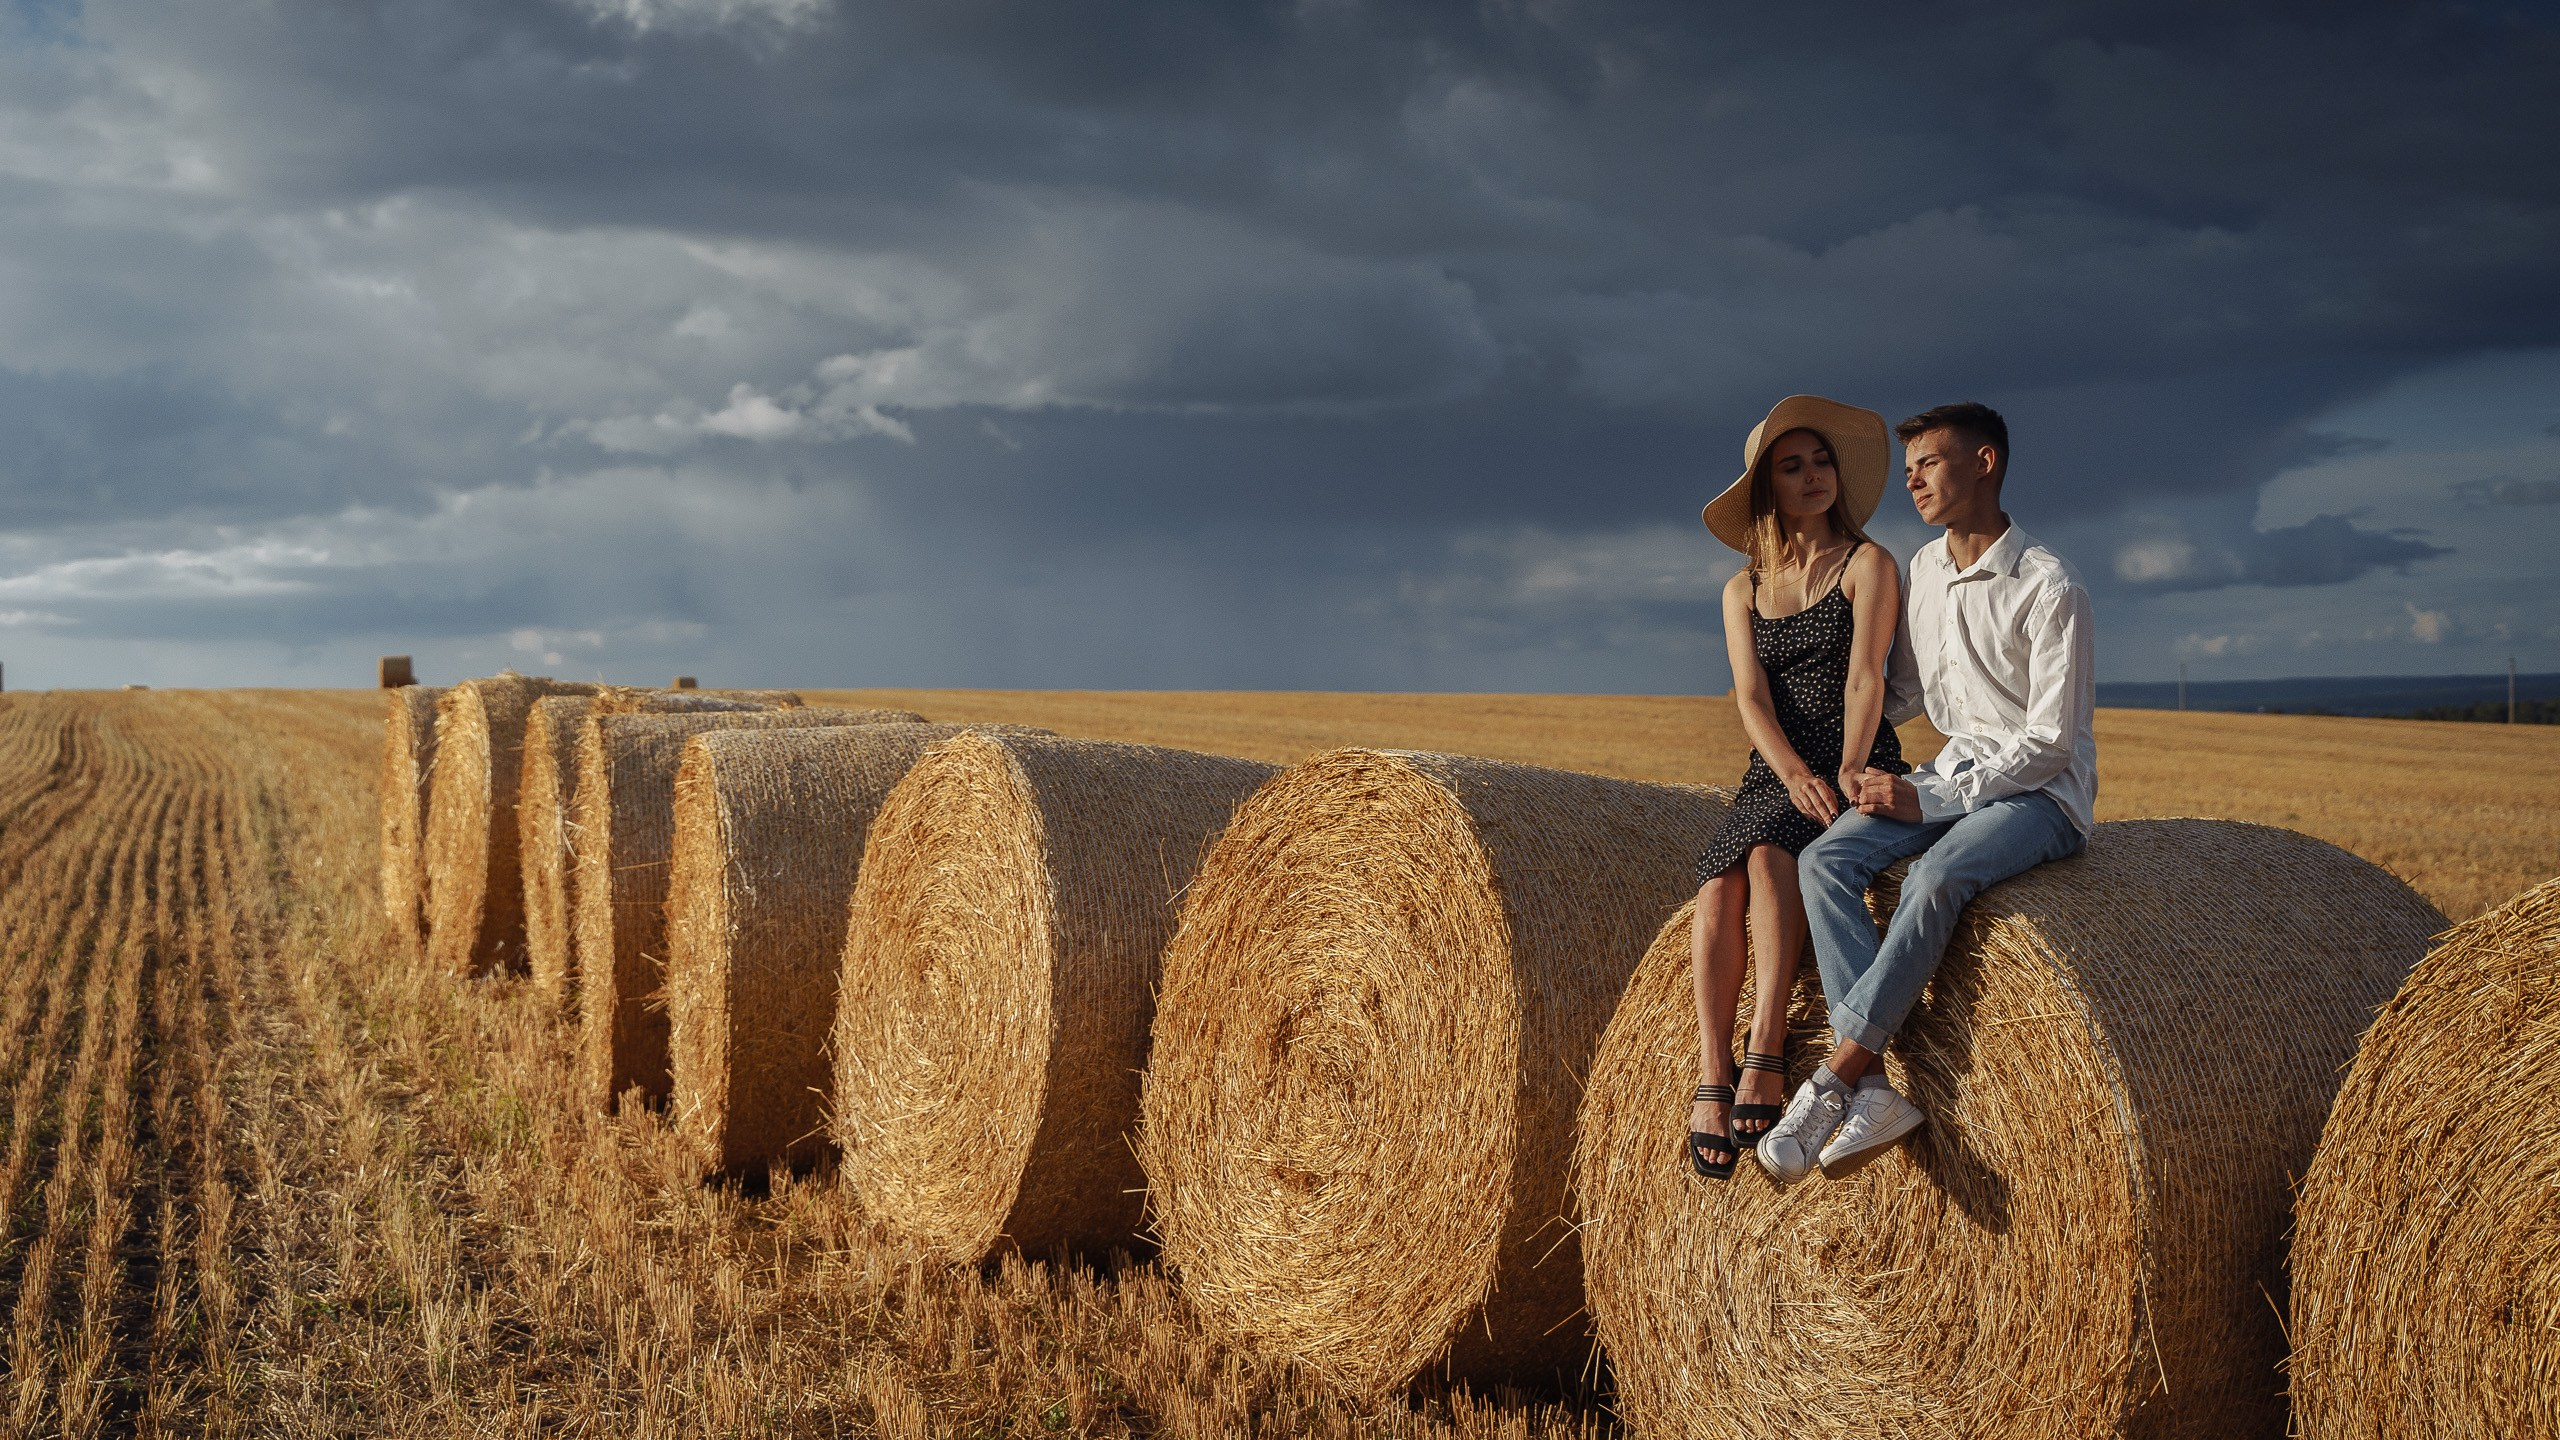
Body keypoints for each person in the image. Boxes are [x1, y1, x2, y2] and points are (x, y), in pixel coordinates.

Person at [1755, 400, 2098, 1183]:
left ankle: (1838, 1073)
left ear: (1985, 464)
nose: (1913, 483)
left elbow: (2048, 745)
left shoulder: (2050, 587)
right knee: (1824, 862)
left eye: (1929, 465)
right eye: (1907, 472)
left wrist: (1931, 803)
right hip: (1949, 775)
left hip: (2041, 799)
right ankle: (1877, 1091)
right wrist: (1829, 733)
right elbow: (1902, 689)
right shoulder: (1925, 572)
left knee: (1939, 877)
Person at [1683, 396, 1909, 1181]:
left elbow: (1865, 676)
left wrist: (1845, 768)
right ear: (1767, 488)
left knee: (1772, 859)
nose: (1812, 477)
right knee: (1717, 885)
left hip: (1851, 755)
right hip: (1778, 765)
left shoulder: (1868, 564)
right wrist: (1791, 772)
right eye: (1792, 467)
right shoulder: (1742, 589)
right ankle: (1716, 1073)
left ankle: (1769, 1047)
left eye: (1820, 463)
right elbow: (1750, 698)